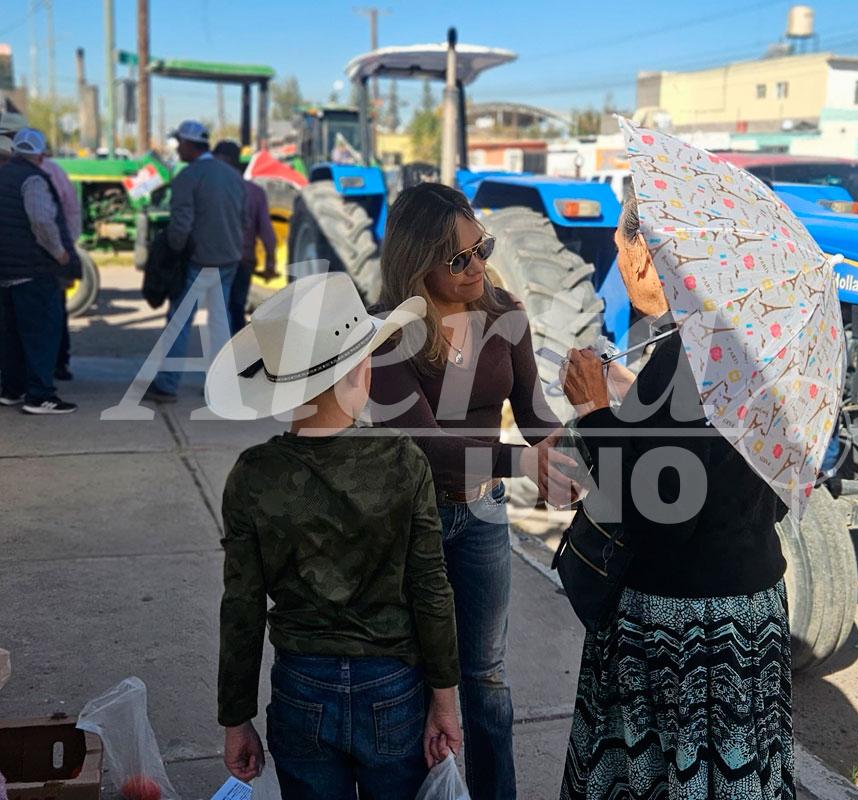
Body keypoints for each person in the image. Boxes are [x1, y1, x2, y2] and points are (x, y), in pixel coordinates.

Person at [558, 197, 794, 800]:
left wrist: (594, 412)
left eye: (621, 243)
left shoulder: (687, 354)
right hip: (751, 610)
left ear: (646, 255)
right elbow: (764, 483)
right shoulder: (754, 336)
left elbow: (663, 515)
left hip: (685, 633)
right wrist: (637, 402)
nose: (618, 256)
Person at [206, 272, 462, 799]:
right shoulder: (403, 461)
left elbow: (242, 606)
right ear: (361, 372)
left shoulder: (253, 476)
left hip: (301, 688)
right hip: (392, 685)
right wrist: (445, 698)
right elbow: (431, 590)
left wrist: (236, 717)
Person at [369, 182, 577, 799]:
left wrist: (567, 451)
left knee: (486, 676)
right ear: (416, 263)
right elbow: (424, 443)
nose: (478, 265)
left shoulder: (504, 312)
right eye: (459, 259)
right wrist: (524, 460)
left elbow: (532, 410)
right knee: (415, 674)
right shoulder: (385, 332)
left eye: (481, 248)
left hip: (483, 513)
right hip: (413, 518)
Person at [144, 120, 245, 403]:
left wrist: (172, 254)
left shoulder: (188, 177)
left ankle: (167, 384)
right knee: (219, 321)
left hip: (199, 261)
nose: (178, 149)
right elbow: (243, 219)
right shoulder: (233, 176)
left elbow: (180, 226)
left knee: (179, 321)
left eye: (179, 143)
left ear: (189, 145)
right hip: (229, 259)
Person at [0, 128, 79, 414]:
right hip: (33, 270)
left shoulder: (3, 175)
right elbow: (42, 221)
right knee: (41, 335)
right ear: (41, 155)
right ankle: (40, 395)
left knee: (11, 335)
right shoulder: (33, 179)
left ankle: (12, 390)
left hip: (6, 271)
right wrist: (60, 253)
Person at [210, 140, 277, 334]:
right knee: (237, 307)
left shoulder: (212, 191)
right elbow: (267, 232)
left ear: (223, 161)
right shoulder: (256, 192)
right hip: (244, 260)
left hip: (218, 260)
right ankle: (238, 347)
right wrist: (270, 262)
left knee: (220, 310)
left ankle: (224, 347)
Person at [41, 148, 82, 382]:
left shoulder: (47, 172)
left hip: (42, 254)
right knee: (56, 309)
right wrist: (66, 246)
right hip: (55, 253)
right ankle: (59, 363)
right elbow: (72, 211)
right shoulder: (55, 171)